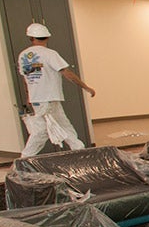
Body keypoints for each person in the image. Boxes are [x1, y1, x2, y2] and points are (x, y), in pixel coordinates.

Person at [17, 22, 96, 157]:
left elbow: (26, 79)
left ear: (31, 38)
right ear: (47, 37)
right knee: (48, 129)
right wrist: (86, 87)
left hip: (37, 98)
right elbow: (67, 73)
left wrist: (29, 96)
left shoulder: (23, 56)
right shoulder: (50, 54)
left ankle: (79, 150)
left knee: (50, 127)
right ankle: (79, 151)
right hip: (48, 98)